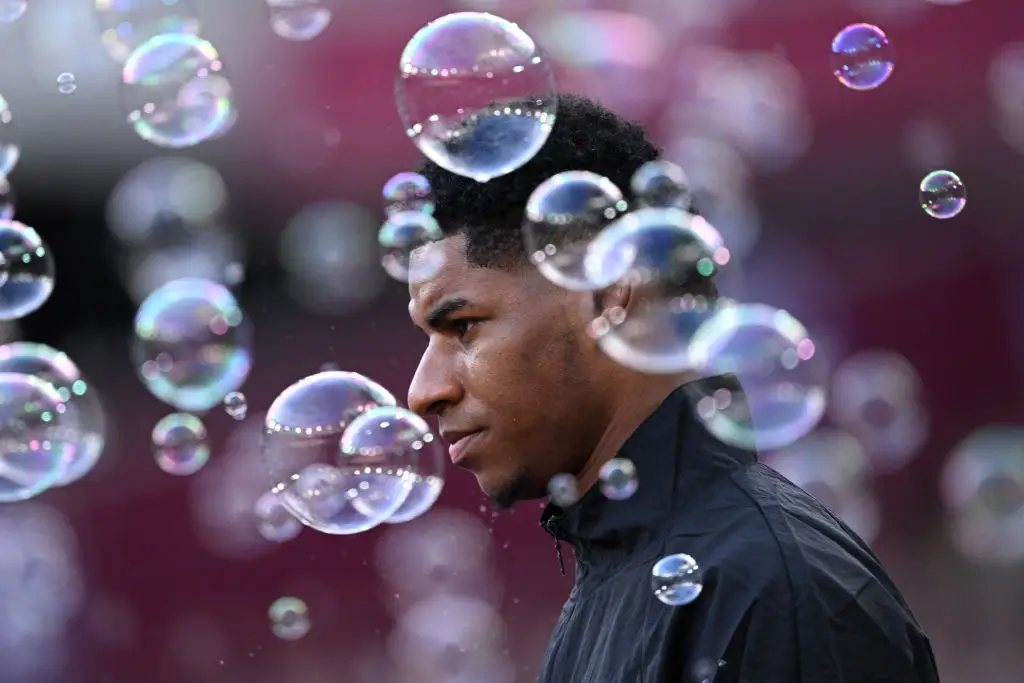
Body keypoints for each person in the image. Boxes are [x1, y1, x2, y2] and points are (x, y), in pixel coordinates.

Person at [405, 94, 941, 683]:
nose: (423, 391)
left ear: (607, 292)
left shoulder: (770, 592)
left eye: (463, 327)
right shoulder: (626, 578)